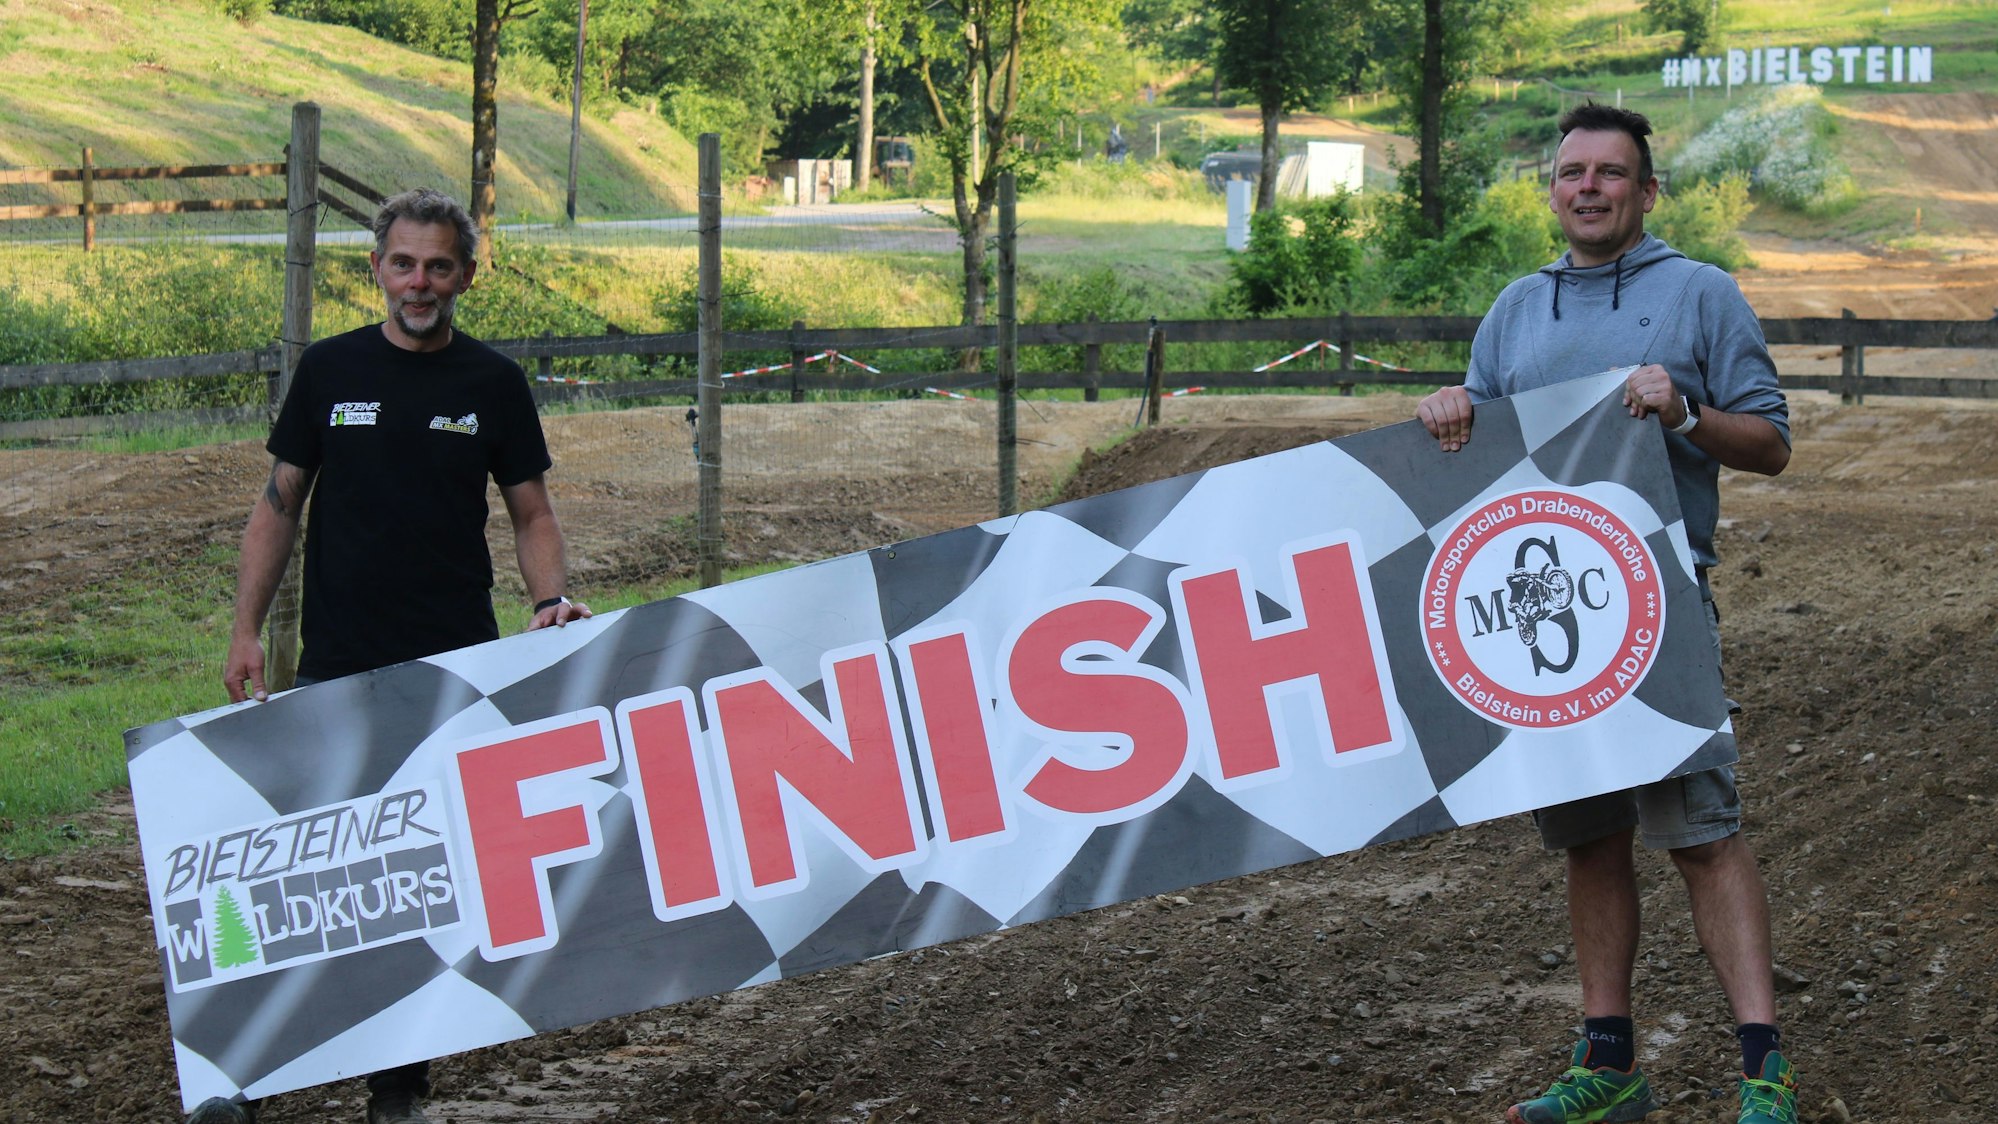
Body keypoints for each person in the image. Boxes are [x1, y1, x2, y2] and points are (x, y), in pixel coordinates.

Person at [1417, 103, 1797, 1124]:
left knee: (1701, 834)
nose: (1588, 187)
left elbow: (1770, 442)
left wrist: (1681, 410)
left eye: (1610, 173)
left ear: (1645, 190)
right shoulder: (1512, 309)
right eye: (1571, 171)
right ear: (1553, 187)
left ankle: (1765, 1074)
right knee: (1591, 840)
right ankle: (1610, 1065)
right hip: (1542, 634)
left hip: (1658, 609)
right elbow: (1481, 458)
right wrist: (1450, 410)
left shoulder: (1703, 295)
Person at [192, 188, 592, 1124]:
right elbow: (279, 505)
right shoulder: (330, 371)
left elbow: (531, 513)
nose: (420, 282)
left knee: (421, 881)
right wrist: (246, 628)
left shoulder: (491, 384)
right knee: (298, 877)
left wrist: (550, 599)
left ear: (466, 274)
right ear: (376, 268)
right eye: (404, 263)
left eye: (439, 265)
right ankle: (252, 1078)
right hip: (333, 666)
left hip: (451, 672)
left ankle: (398, 1086)